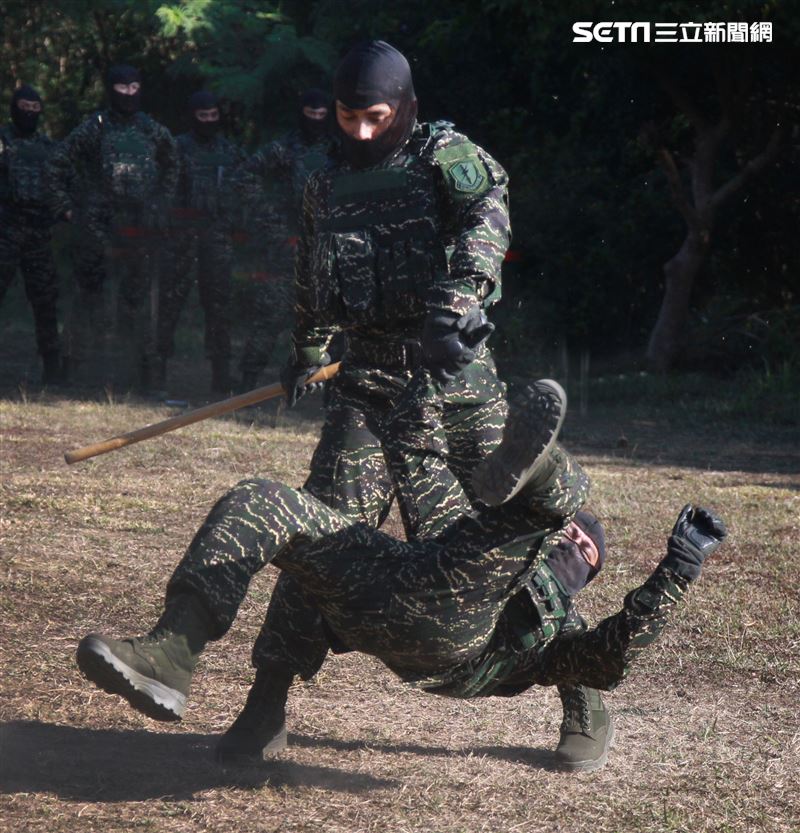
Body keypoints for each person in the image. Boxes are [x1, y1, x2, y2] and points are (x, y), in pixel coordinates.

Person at [75, 371, 727, 773]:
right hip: (394, 589)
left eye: (586, 551)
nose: (576, 545)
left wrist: (679, 567)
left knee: (530, 511)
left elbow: (609, 660)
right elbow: (416, 462)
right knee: (263, 503)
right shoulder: (468, 534)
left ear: (582, 576)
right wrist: (405, 373)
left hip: (457, 639)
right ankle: (174, 650)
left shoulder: (553, 628)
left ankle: (546, 475)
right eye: (574, 534)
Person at [246, 39, 517, 754]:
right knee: (318, 536)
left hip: (454, 384)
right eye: (346, 116)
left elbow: (484, 228)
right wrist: (308, 343)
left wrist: (454, 306)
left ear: (405, 108)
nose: (359, 131)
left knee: (509, 529)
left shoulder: (446, 161)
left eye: (374, 116)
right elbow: (312, 269)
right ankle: (265, 702)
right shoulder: (325, 184)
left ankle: (579, 690)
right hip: (363, 386)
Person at [45, 65, 178, 390]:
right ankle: (72, 370)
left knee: (142, 302)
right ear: (111, 89)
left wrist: (159, 205)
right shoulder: (95, 128)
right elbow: (55, 163)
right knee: (87, 297)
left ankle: (146, 375)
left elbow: (173, 164)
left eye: (135, 87)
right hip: (97, 228)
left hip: (140, 231)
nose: (129, 94)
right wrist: (65, 209)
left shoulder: (153, 131)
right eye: (122, 87)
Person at [234, 88, 336, 390]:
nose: (316, 120)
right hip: (287, 249)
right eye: (311, 114)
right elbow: (244, 178)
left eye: (322, 115)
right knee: (271, 313)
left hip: (330, 246)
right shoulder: (284, 149)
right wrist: (272, 221)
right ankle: (248, 380)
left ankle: (332, 391)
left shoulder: (338, 149)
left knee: (335, 318)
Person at [156, 91, 245, 394]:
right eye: (202, 116)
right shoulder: (177, 148)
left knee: (219, 308)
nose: (209, 121)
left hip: (217, 238)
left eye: (213, 116)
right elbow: (163, 189)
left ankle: (221, 377)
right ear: (193, 116)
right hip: (181, 238)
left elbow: (243, 189)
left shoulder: (229, 151)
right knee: (169, 305)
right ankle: (156, 373)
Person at [0, 84, 62, 384]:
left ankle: (53, 369)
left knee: (46, 301)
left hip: (38, 235)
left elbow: (63, 187)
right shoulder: (3, 141)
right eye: (24, 107)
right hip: (4, 232)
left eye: (35, 109)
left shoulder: (49, 148)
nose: (29, 113)